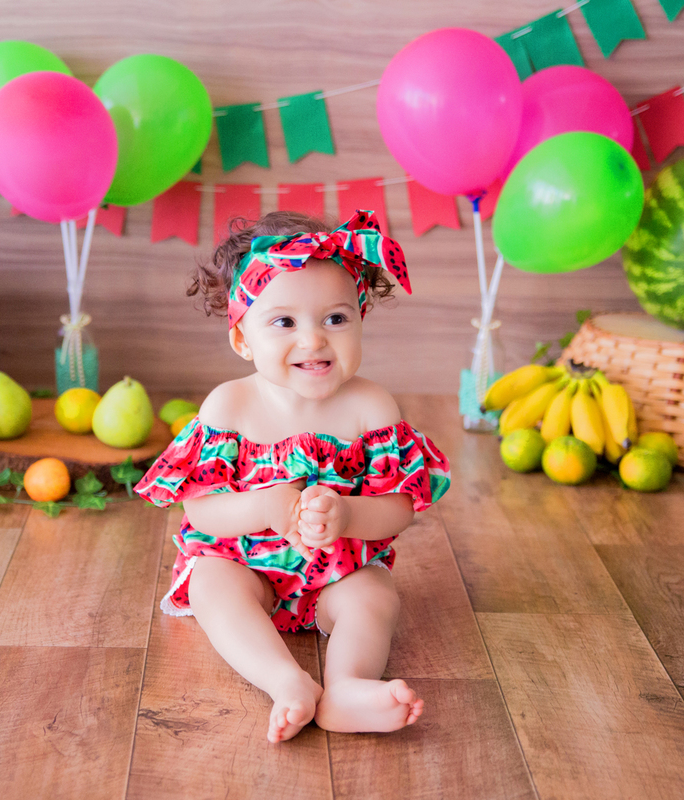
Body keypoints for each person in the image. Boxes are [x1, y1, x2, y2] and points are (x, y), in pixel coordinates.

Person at [135, 210, 450, 743]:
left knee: (374, 594)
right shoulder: (229, 407)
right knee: (212, 584)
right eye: (284, 323)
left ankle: (348, 685)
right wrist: (260, 508)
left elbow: (401, 507)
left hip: (338, 566)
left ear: (361, 316)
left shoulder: (370, 407)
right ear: (243, 338)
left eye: (335, 319)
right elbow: (199, 509)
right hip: (243, 563)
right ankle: (285, 682)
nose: (313, 341)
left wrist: (349, 513)